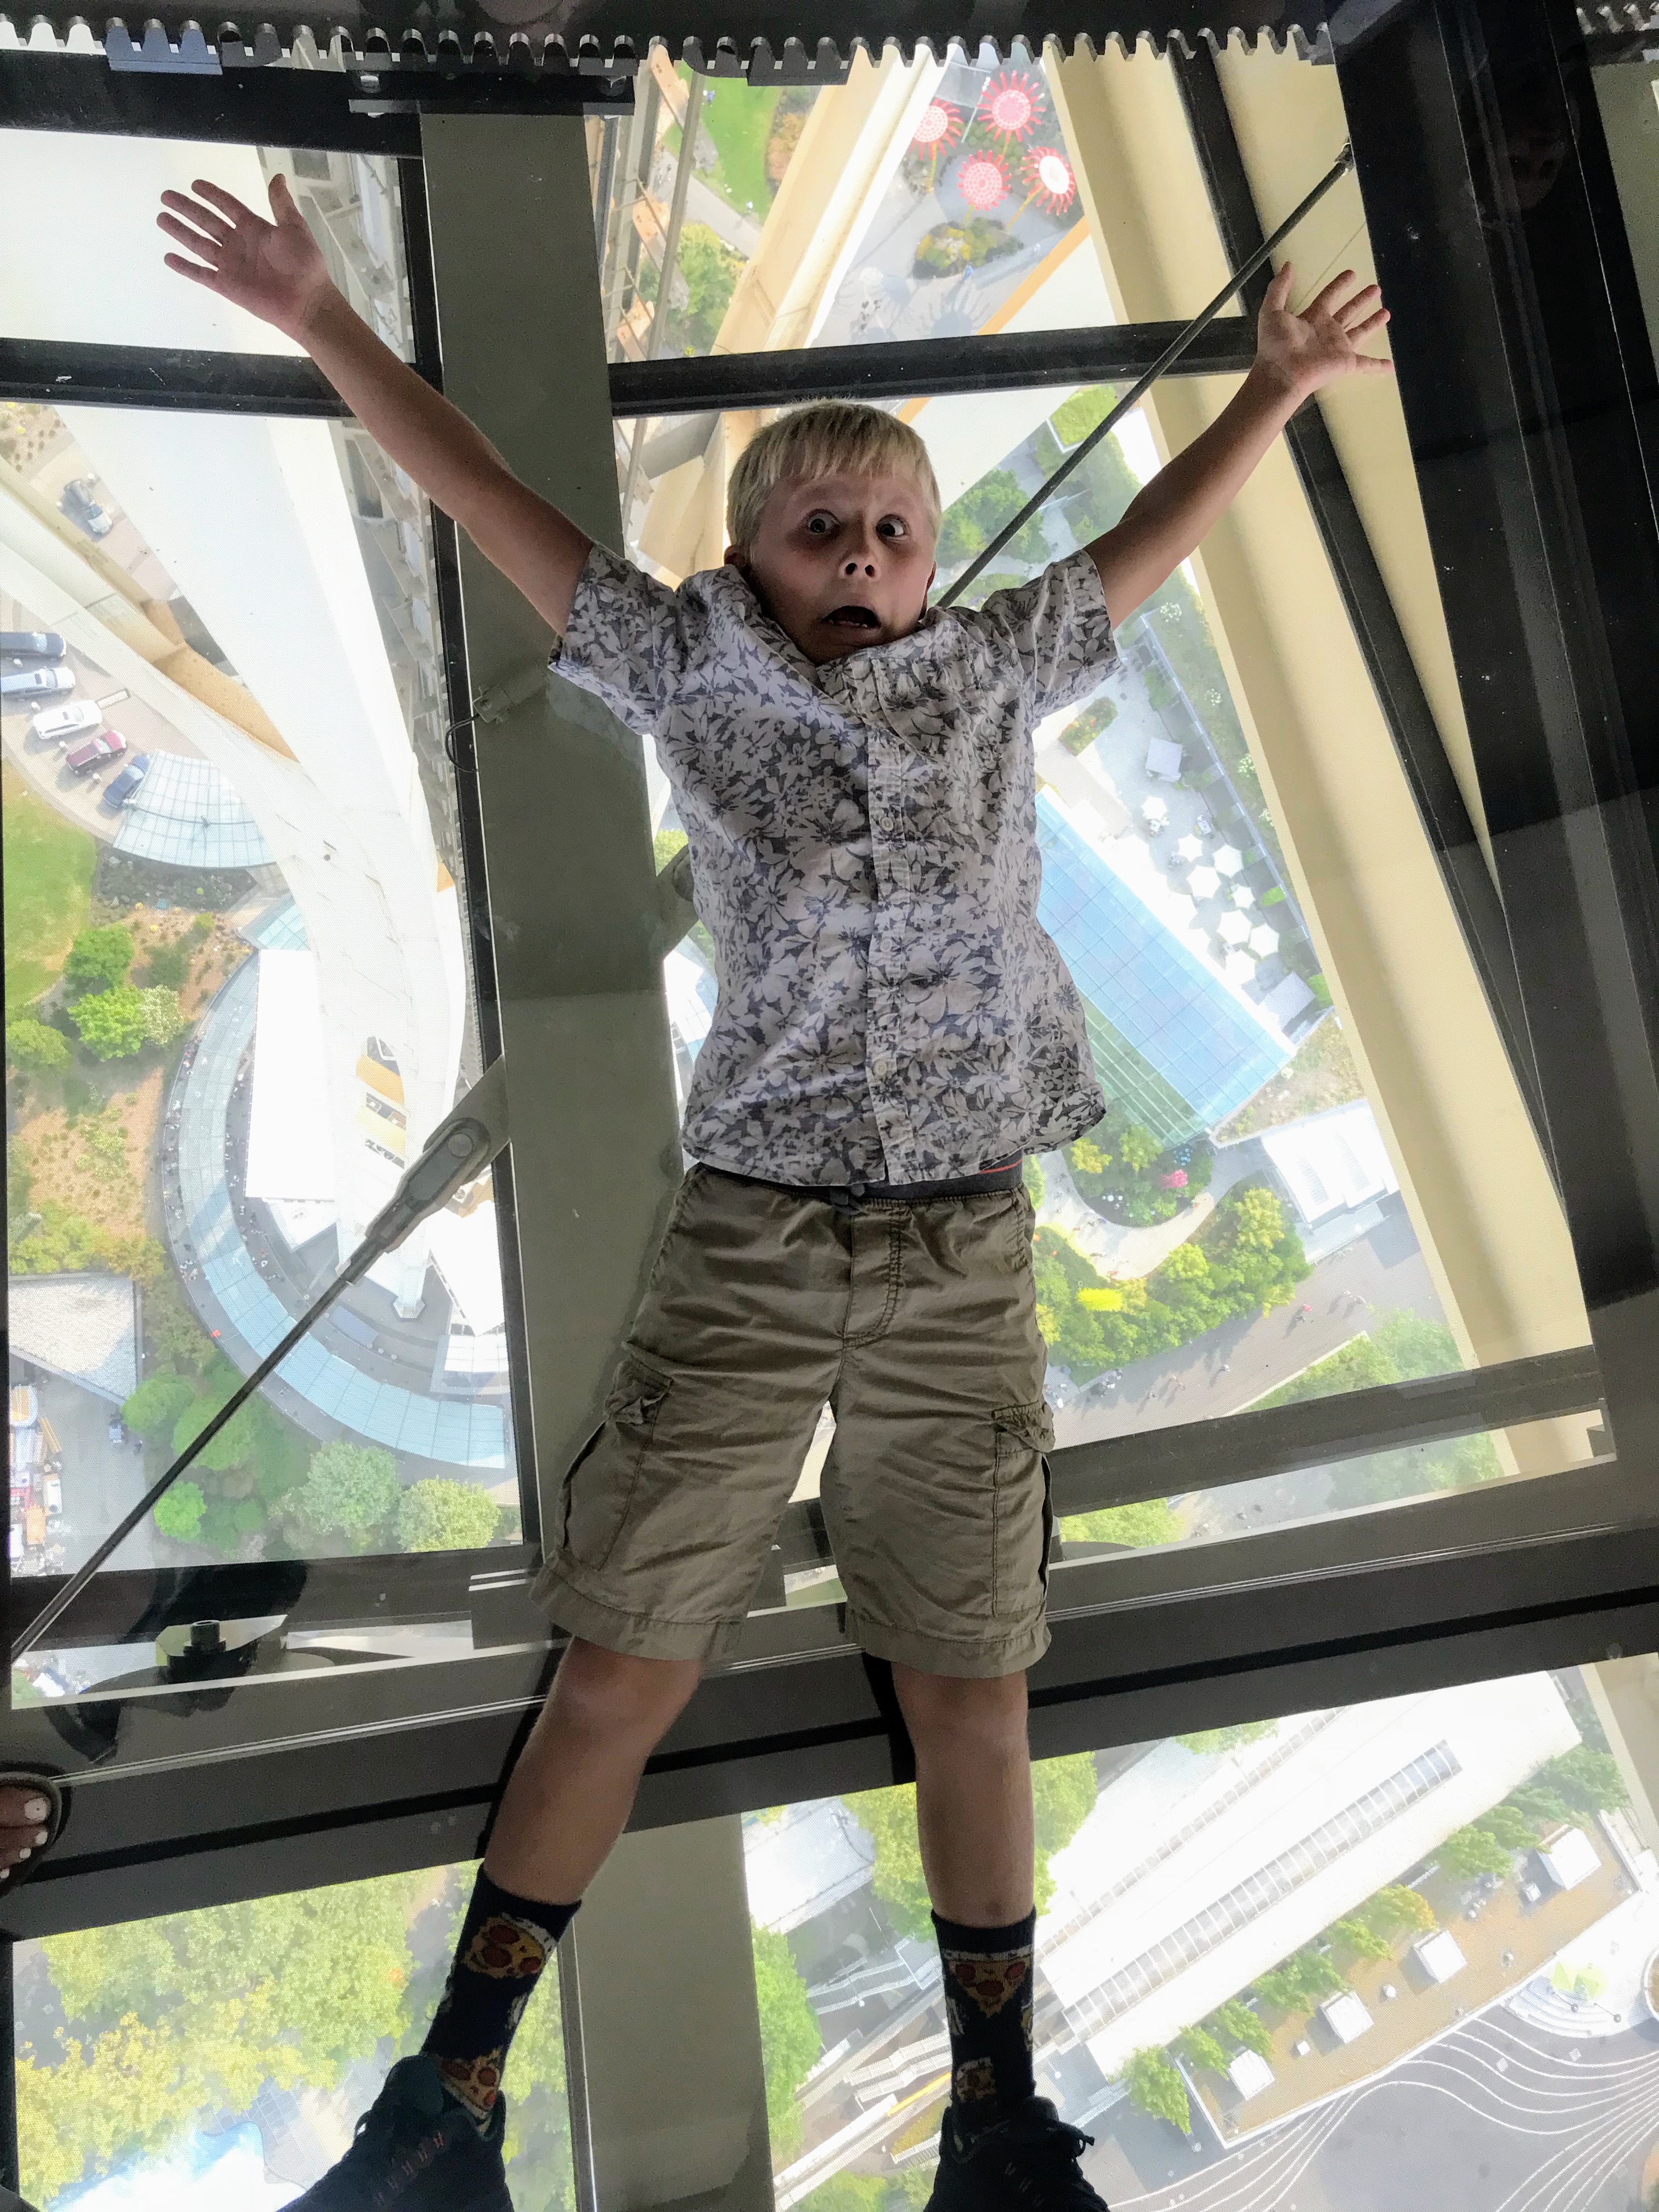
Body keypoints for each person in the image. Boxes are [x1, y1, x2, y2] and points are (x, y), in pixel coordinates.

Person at [133, 170, 1390, 2212]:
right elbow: (490, 505)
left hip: (969, 1238)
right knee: (626, 1660)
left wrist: (1278, 393)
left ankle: (995, 2112)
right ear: (746, 559)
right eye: (823, 529)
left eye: (895, 526)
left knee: (977, 1680)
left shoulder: (992, 672)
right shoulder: (689, 676)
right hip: (761, 1235)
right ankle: (446, 2097)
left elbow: (1136, 553)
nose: (871, 555)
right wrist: (322, 326)